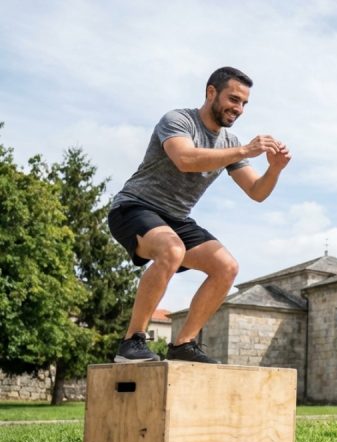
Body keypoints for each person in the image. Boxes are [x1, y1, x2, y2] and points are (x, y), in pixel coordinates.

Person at [107, 66, 291, 364]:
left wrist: (275, 169)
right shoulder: (178, 120)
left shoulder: (230, 143)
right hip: (134, 207)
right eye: (233, 99)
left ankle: (183, 344)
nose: (239, 109)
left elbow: (256, 191)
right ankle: (132, 342)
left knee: (226, 267)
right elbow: (185, 158)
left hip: (176, 218)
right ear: (211, 92)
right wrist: (245, 151)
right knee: (172, 249)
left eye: (244, 103)